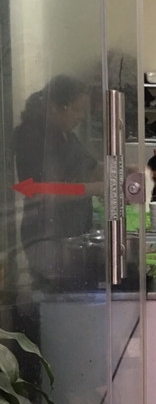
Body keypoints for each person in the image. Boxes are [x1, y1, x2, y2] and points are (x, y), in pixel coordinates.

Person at [13, 74, 104, 282]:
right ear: (56, 106)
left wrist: (121, 171)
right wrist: (97, 188)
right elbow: (43, 190)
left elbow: (88, 166)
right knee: (54, 292)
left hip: (74, 231)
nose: (80, 117)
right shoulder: (32, 136)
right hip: (46, 235)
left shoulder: (66, 133)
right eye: (77, 110)